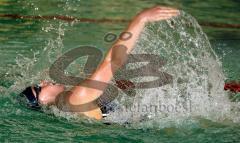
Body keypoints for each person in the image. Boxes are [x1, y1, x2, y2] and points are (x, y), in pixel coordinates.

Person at [19, 6, 179, 120]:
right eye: (38, 88)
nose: (42, 82)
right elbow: (113, 60)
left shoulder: (66, 109)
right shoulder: (77, 97)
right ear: (43, 101)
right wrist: (141, 18)